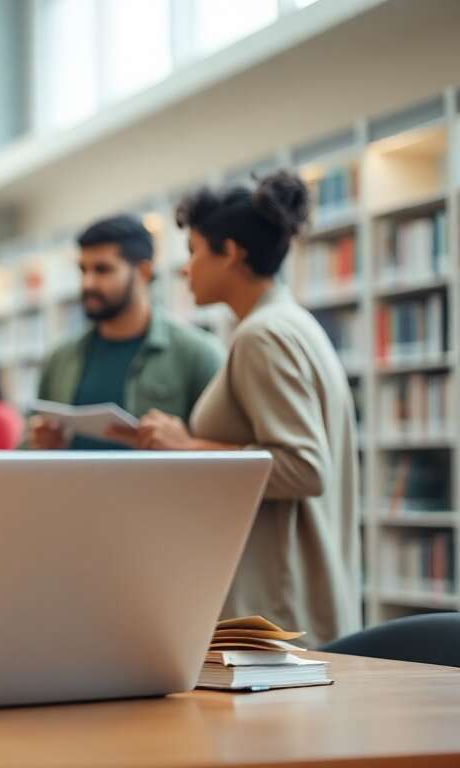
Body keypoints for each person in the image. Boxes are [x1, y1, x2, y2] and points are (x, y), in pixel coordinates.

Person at [117, 171, 360, 647]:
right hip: (297, 593)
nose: (186, 270)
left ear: (230, 253)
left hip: (277, 608)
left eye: (193, 252)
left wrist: (188, 447)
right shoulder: (293, 324)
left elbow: (305, 468)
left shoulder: (262, 336)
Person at [28, 214, 224, 450]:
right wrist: (40, 444)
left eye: (102, 270)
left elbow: (225, 455)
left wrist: (186, 445)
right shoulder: (59, 358)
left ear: (143, 272)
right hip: (74, 487)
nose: (87, 283)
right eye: (83, 270)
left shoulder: (198, 353)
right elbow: (27, 444)